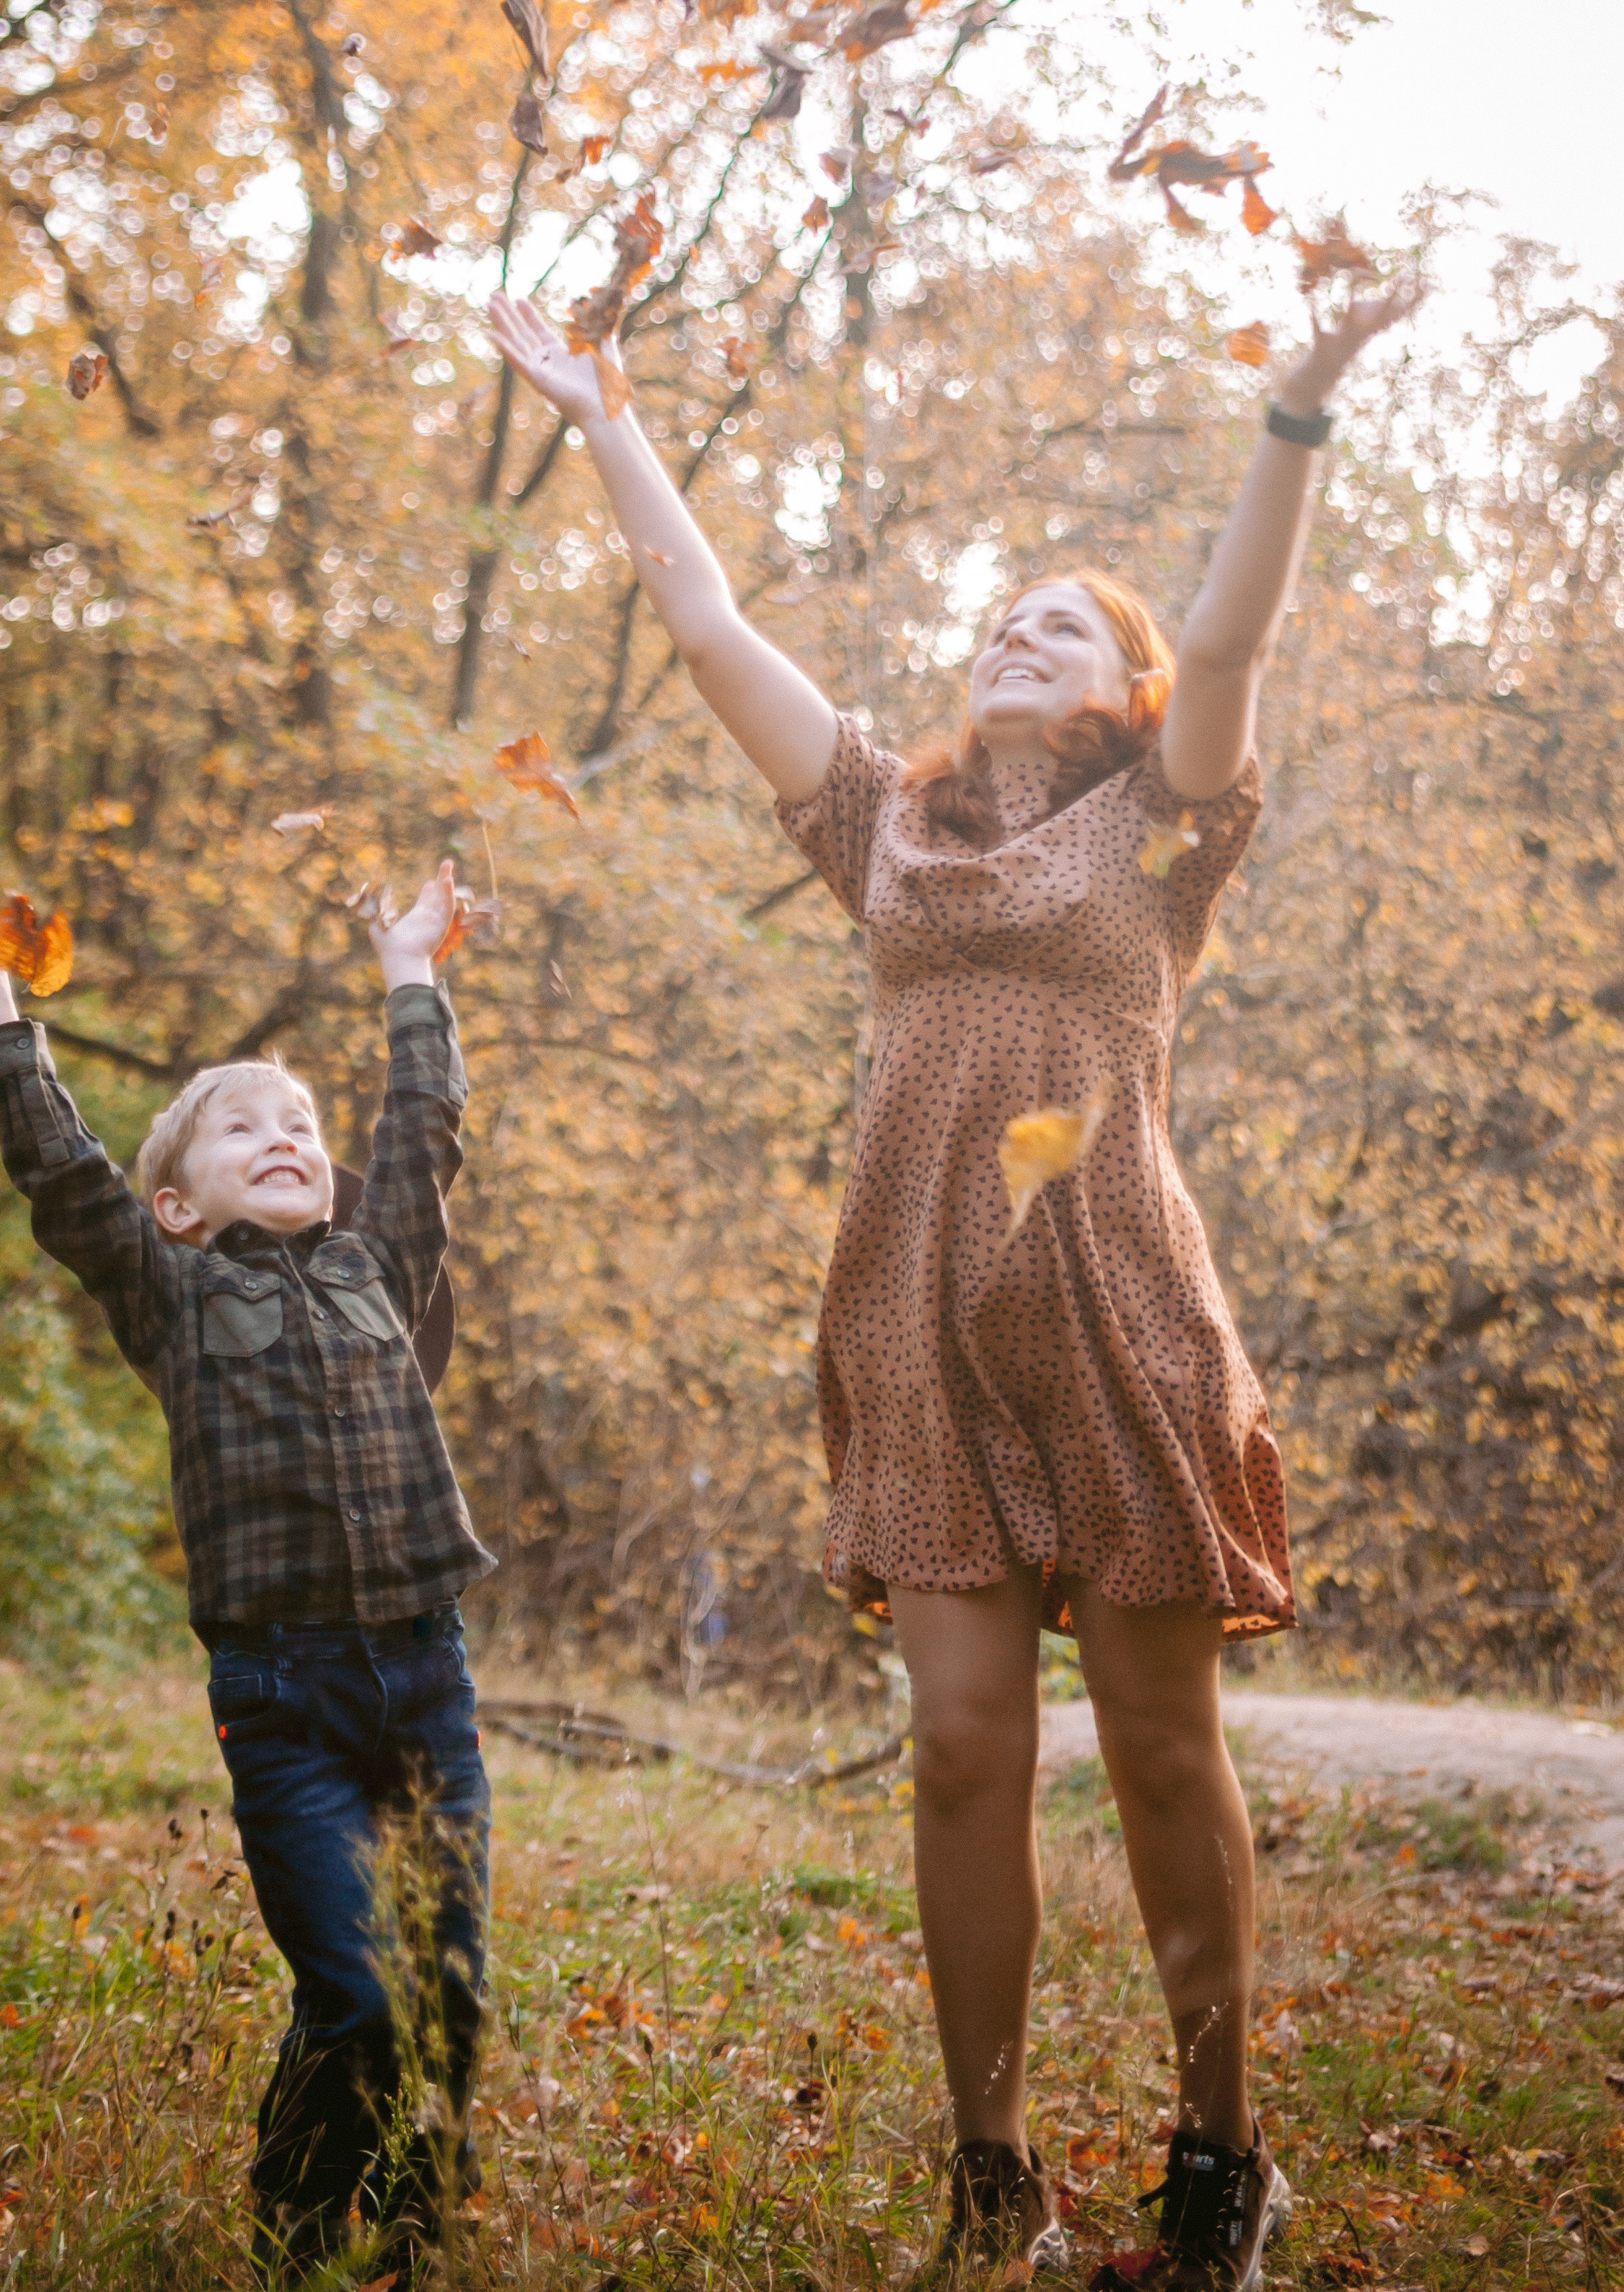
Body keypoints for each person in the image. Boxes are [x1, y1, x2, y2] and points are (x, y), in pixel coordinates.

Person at [487, 276, 1412, 2290]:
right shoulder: (882, 834)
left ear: (1124, 697)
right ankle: (993, 2171)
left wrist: (1292, 413)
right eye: (1001, 615)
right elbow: (715, 628)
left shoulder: (1168, 831)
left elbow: (1238, 631)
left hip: (1119, 1324)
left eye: (1062, 622)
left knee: (1164, 1745)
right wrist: (604, 416)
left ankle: (1216, 2156)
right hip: (919, 1329)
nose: (1014, 630)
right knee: (963, 1748)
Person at [0, 858, 496, 2289]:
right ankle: (294, 2224)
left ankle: (417, 2232)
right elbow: (60, 1168)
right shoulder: (168, 1290)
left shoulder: (379, 1266)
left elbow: (424, 1131)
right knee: (352, 1989)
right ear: (175, 1205)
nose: (282, 1135)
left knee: (448, 1990)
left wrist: (414, 976)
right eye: (239, 1128)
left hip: (425, 1674)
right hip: (281, 1697)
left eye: (296, 1123)